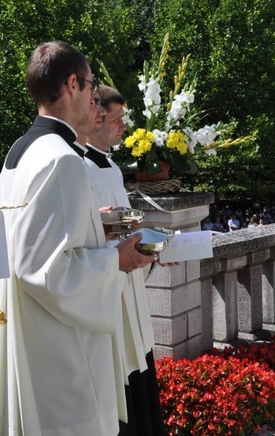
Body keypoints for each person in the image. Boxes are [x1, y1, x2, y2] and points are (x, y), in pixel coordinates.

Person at [0, 42, 156, 436]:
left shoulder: (21, 150)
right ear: (72, 84)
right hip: (57, 345)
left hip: (22, 328)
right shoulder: (62, 158)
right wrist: (117, 260)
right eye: (91, 86)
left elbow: (19, 239)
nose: (94, 97)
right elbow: (46, 269)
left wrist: (93, 226)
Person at [85, 85, 165, 435]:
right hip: (107, 289)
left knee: (141, 365)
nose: (123, 127)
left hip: (129, 285)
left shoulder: (113, 168)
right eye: (116, 119)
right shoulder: (78, 167)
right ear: (96, 117)